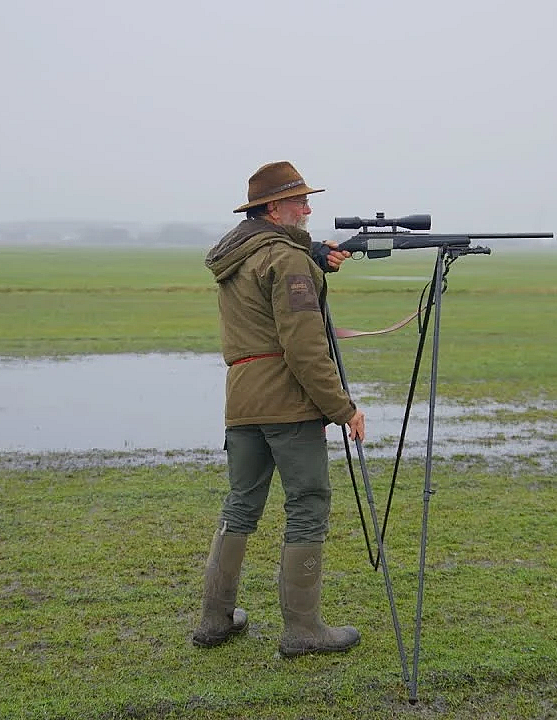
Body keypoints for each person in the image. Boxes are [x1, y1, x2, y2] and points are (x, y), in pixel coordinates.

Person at [194, 161, 367, 657]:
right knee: (308, 505)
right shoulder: (286, 261)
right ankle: (303, 631)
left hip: (242, 400)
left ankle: (214, 620)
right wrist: (343, 408)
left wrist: (312, 258)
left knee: (240, 505)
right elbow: (305, 349)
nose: (309, 209)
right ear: (274, 208)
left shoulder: (243, 255)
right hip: (288, 402)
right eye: (299, 202)